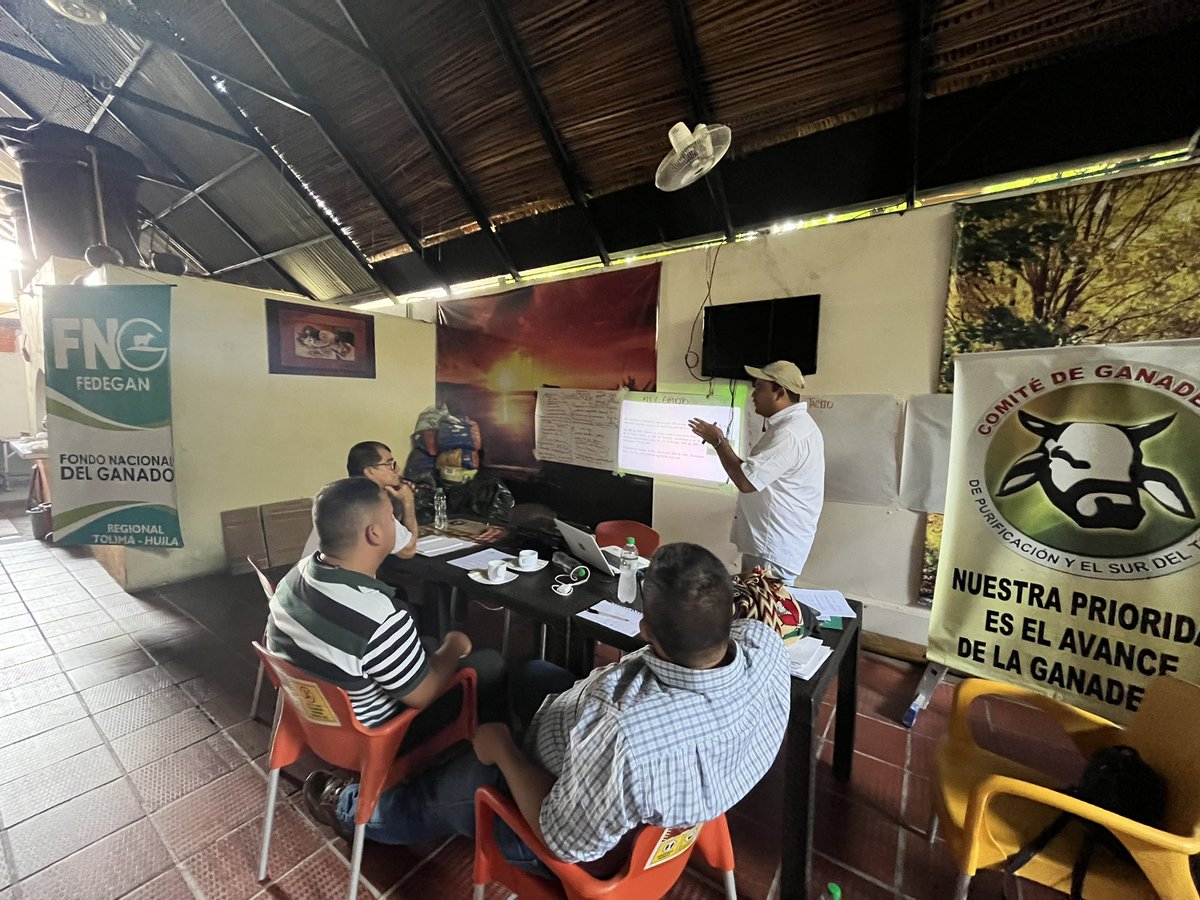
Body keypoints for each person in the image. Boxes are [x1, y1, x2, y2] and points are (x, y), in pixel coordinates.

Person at [303, 542, 791, 873]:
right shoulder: (764, 644)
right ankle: (505, 738)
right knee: (534, 675)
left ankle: (352, 809)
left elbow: (563, 839)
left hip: (579, 831)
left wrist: (507, 755)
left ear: (645, 632)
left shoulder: (621, 731)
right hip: (629, 764)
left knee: (456, 784)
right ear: (730, 613)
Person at [267, 477, 505, 743]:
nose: (396, 523)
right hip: (378, 736)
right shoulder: (379, 617)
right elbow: (424, 695)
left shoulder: (292, 577)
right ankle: (478, 754)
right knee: (490, 664)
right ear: (374, 533)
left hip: (312, 718)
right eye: (392, 517)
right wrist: (454, 645)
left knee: (425, 643)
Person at [688, 360, 824, 584]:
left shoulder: (789, 434)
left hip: (773, 549)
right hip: (774, 545)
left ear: (779, 392)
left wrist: (718, 442)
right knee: (756, 609)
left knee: (761, 613)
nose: (753, 394)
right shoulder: (794, 427)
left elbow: (746, 481)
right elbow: (754, 473)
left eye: (759, 387)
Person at [301, 441, 418, 560]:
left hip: (313, 570)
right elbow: (408, 550)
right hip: (332, 575)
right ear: (370, 471)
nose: (396, 469)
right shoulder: (367, 501)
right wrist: (408, 501)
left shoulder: (348, 492)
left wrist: (395, 500)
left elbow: (392, 536)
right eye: (389, 464)